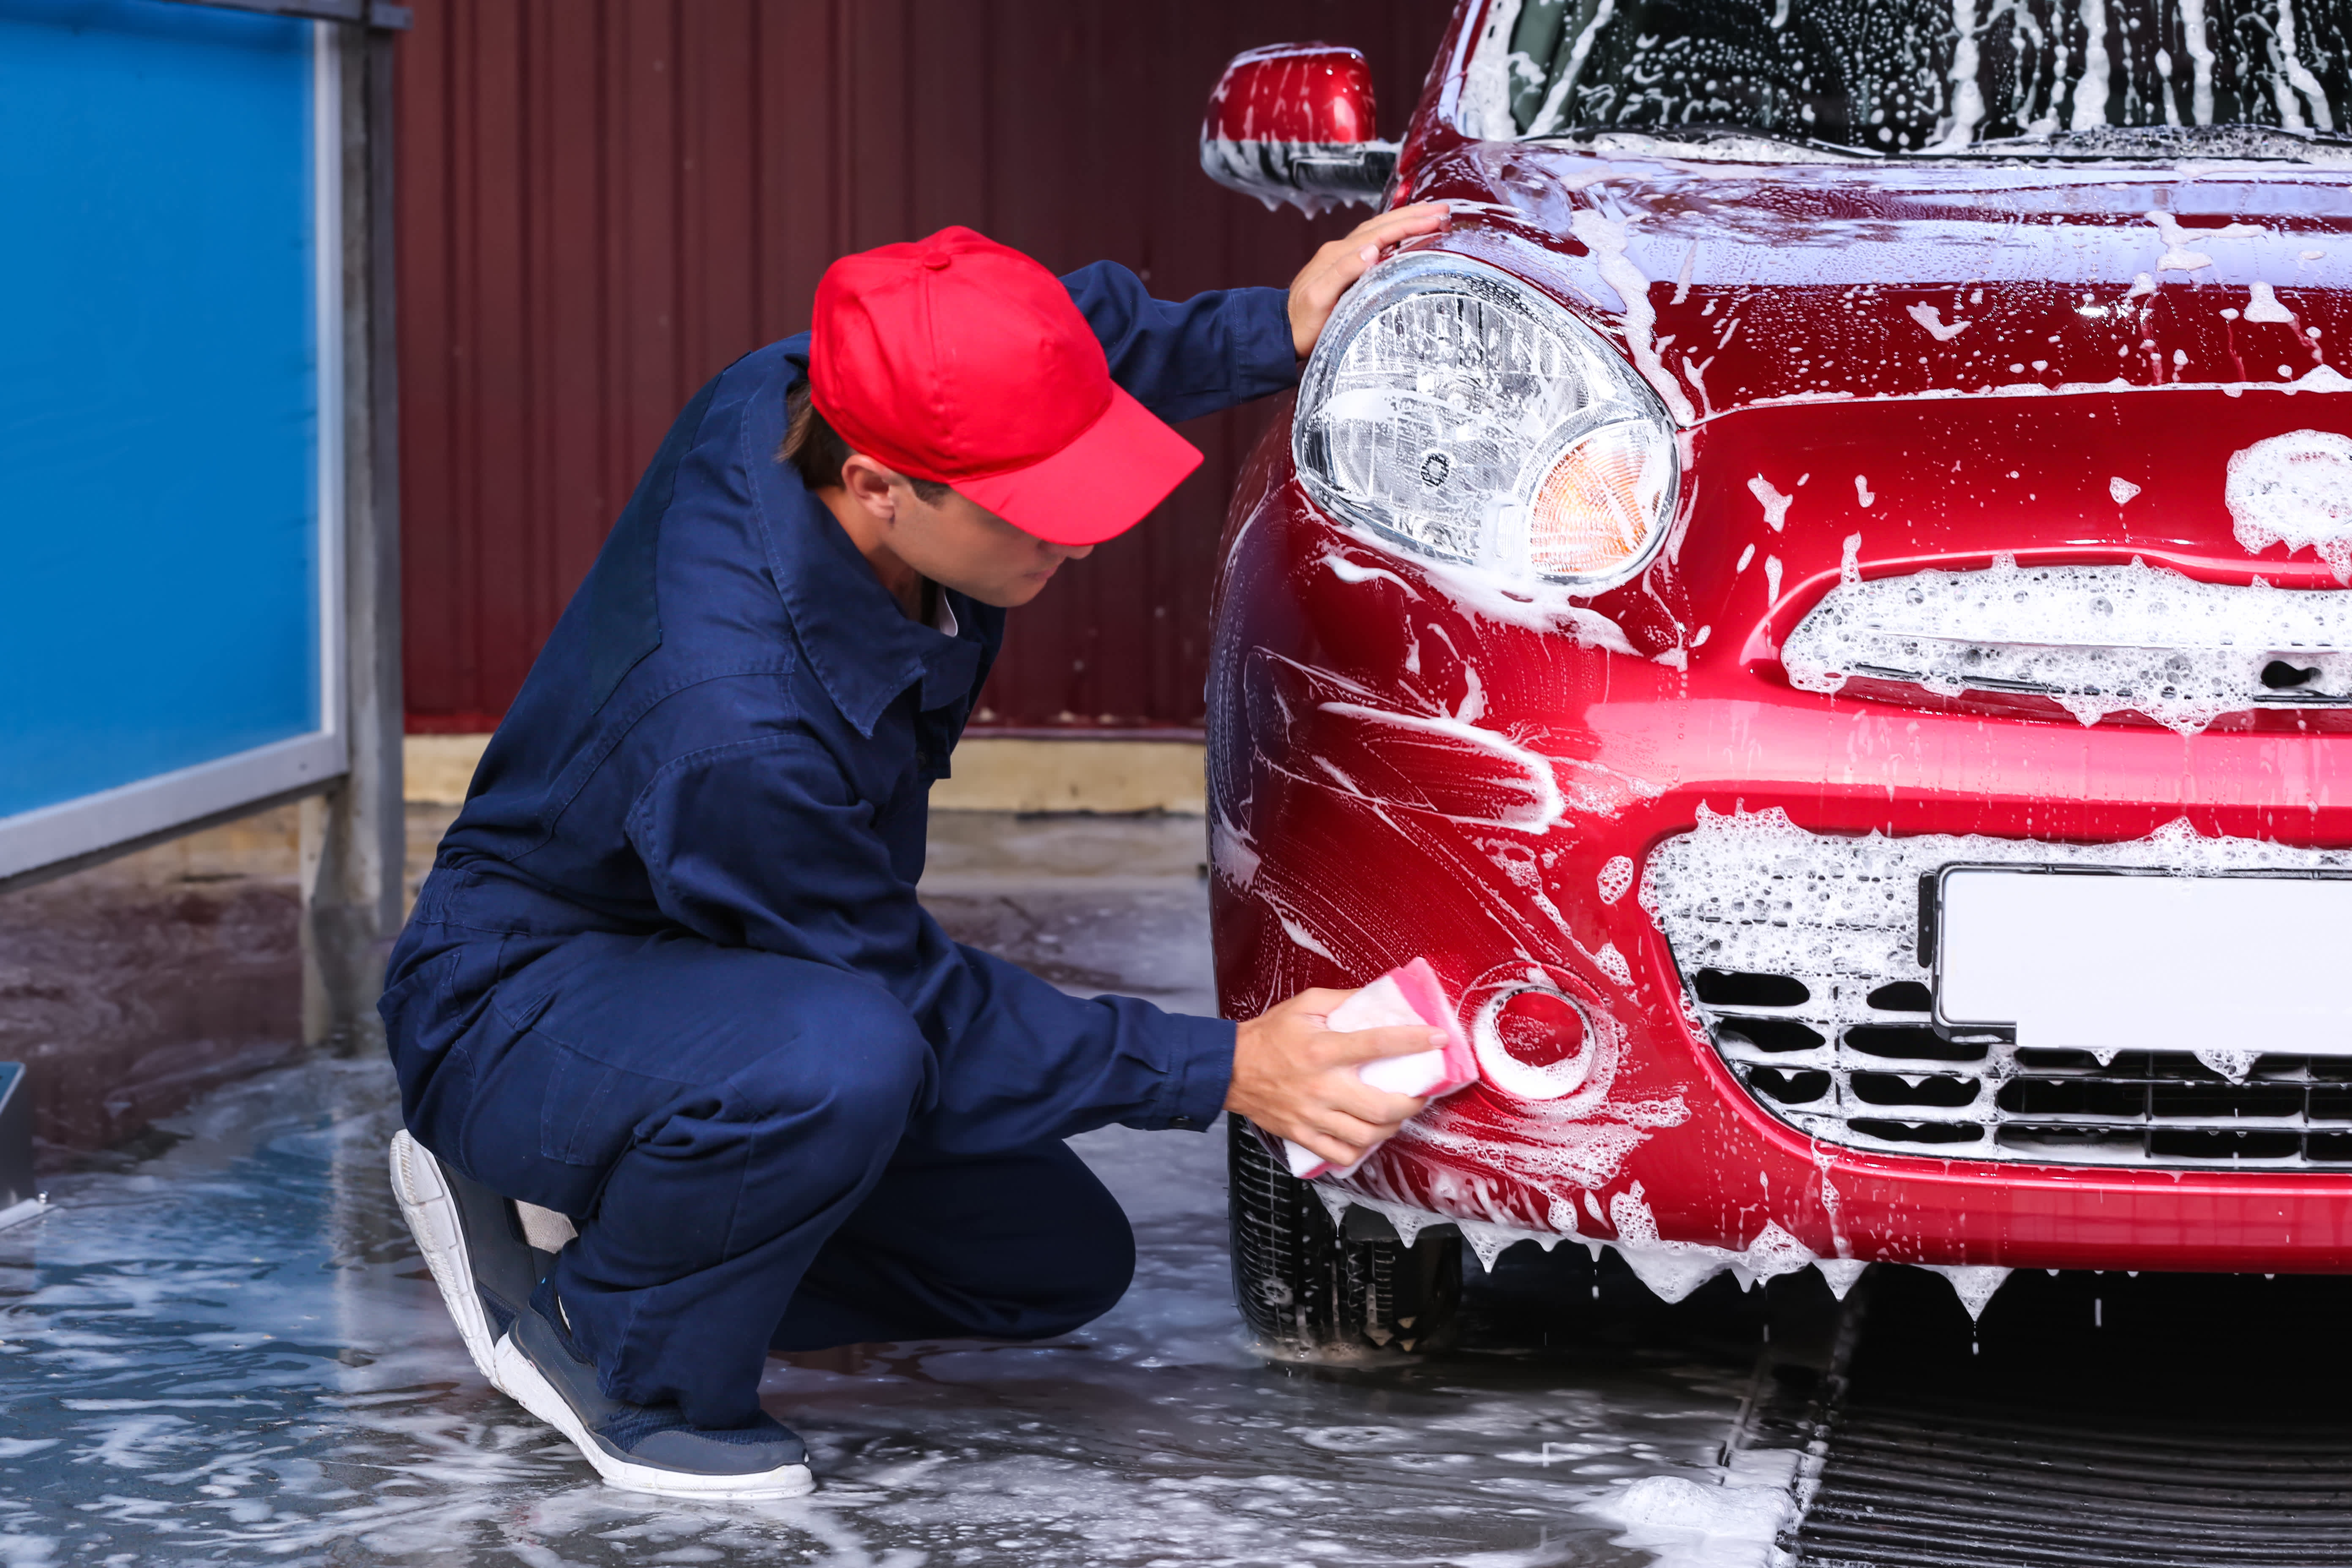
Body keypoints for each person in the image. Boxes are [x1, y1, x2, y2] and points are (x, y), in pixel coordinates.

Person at [382, 206, 1448, 1500]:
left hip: (721, 954)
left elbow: (1059, 347)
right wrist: (1226, 1067)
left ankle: (639, 1199)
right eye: (1033, 514)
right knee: (851, 1056)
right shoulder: (740, 722)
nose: (1081, 537)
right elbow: (909, 1003)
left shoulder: (793, 397)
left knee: (1044, 1261)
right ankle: (612, 1344)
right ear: (878, 486)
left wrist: (1274, 328)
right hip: (522, 991)